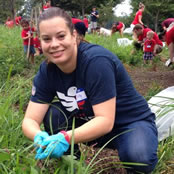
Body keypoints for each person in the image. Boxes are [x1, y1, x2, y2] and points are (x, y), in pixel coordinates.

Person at [22, 7, 158, 174]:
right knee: (54, 114)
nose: (54, 44)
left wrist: (65, 138)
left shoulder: (96, 61)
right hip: (90, 125)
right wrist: (38, 136)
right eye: (46, 39)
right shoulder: (47, 71)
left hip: (128, 123)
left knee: (139, 156)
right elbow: (29, 119)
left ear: (74, 36)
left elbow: (105, 121)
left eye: (61, 36)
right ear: (40, 43)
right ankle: (73, 166)